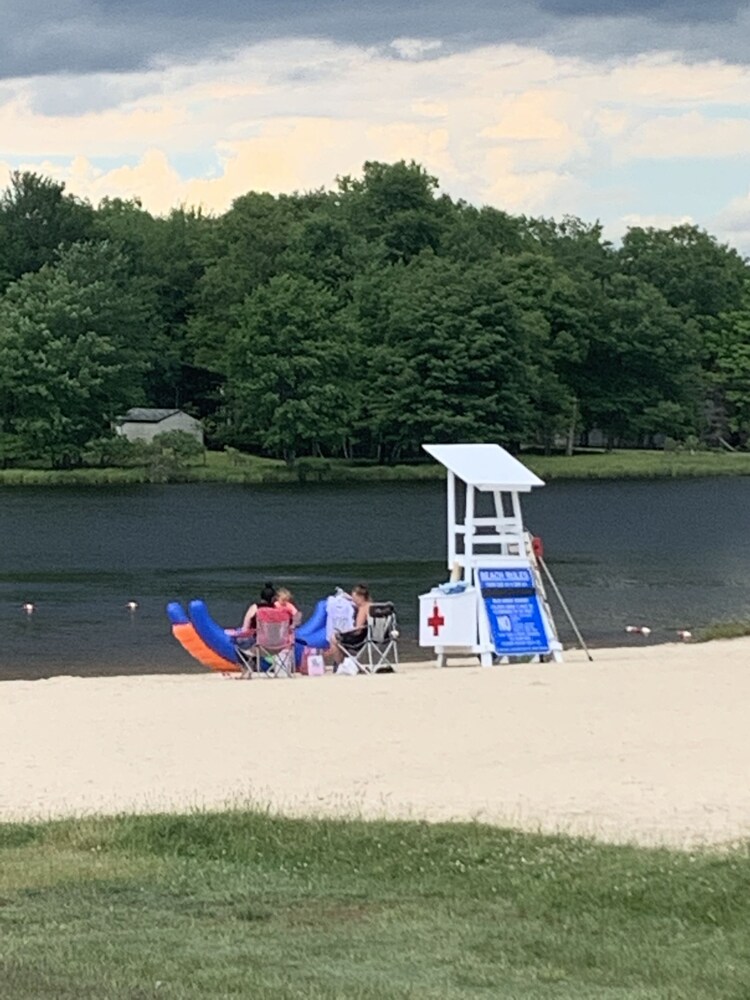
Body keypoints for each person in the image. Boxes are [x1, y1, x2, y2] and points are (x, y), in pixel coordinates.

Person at [330, 584, 371, 666]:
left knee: (334, 638)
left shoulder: (363, 609)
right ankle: (347, 664)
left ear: (361, 597)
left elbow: (358, 630)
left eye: (355, 598)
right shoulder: (371, 606)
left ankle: (339, 665)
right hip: (372, 637)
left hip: (360, 639)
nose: (354, 600)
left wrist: (345, 631)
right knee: (341, 638)